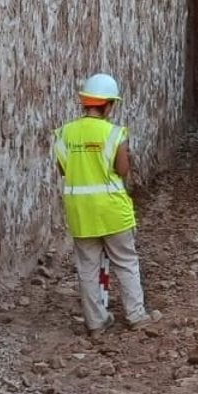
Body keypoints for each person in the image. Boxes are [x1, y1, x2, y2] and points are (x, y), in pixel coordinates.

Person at [53, 72, 147, 333]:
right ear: (108, 104)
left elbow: (63, 170)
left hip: (80, 212)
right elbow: (123, 170)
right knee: (126, 262)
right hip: (112, 210)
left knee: (87, 268)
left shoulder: (64, 134)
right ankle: (136, 316)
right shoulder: (115, 134)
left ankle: (96, 323)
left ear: (86, 103)